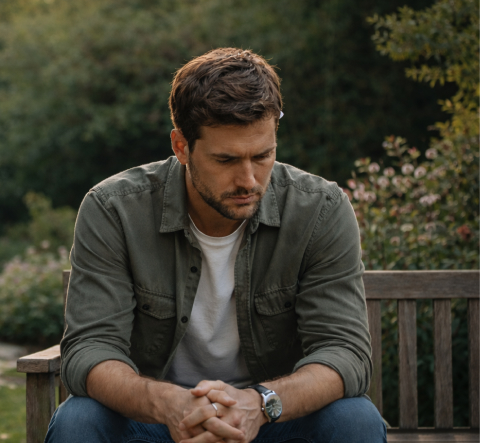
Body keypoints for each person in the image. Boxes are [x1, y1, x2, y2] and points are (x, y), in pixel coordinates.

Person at [46, 48, 386, 443]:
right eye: (226, 160)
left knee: (354, 419)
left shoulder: (320, 210)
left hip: (273, 418)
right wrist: (169, 405)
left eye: (263, 156)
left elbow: (344, 351)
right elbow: (90, 348)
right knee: (79, 421)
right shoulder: (113, 209)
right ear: (181, 147)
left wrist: (259, 404)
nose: (249, 180)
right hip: (157, 421)